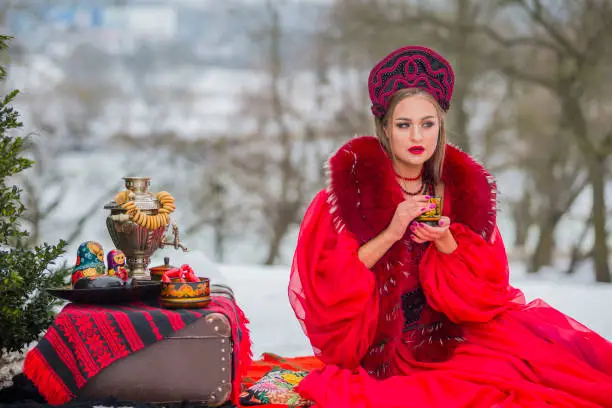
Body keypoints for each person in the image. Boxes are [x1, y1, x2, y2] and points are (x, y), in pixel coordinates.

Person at [288, 45, 612, 408]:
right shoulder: (350, 194)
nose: (416, 137)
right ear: (384, 127)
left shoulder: (462, 192)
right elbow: (330, 283)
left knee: (542, 368)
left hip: (453, 336)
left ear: (440, 126)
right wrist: (392, 232)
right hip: (387, 348)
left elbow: (486, 293)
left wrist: (445, 243)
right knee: (463, 395)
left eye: (427, 124)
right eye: (403, 125)